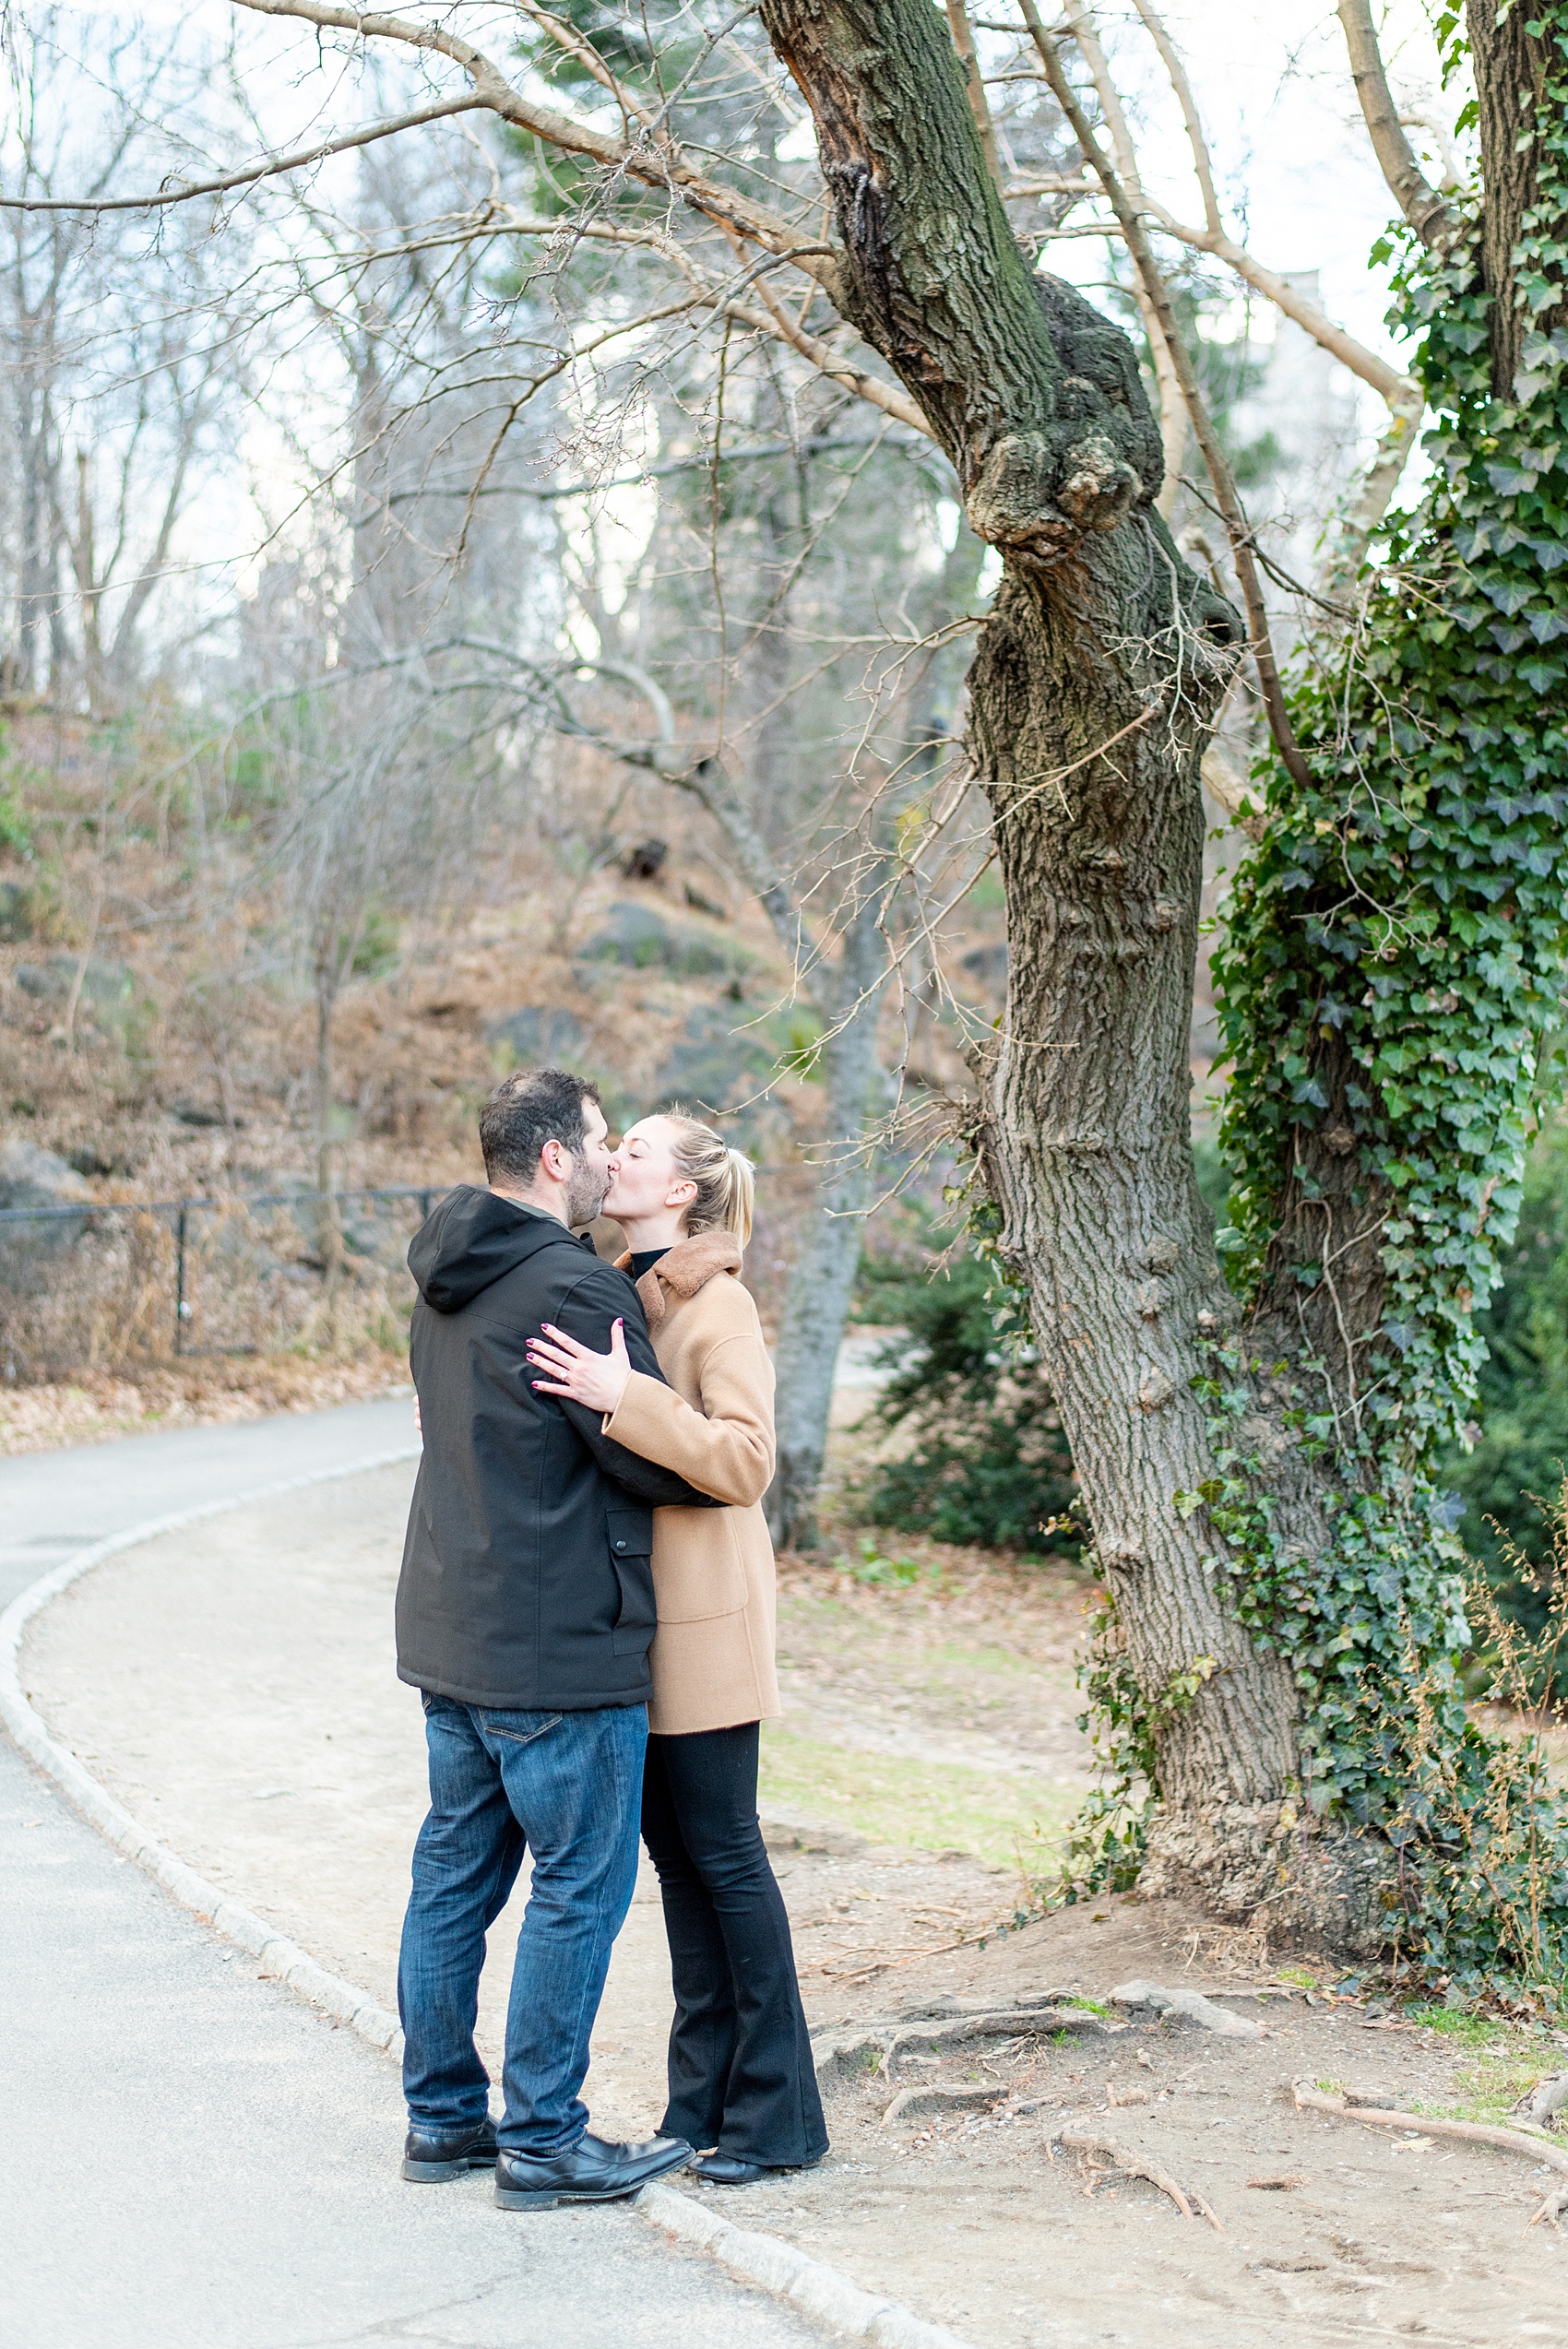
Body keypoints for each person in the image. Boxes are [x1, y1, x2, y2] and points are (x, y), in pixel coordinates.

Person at [395, 1068, 724, 2213]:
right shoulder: (579, 1290)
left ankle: (441, 2122)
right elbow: (632, 1458)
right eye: (595, 1141)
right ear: (552, 1160)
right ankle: (542, 2138)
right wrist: (681, 1437)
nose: (603, 1159)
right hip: (560, 1639)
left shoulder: (443, 1273)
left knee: (451, 1880)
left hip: (451, 1626)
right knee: (578, 1888)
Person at [526, 1110, 828, 2186]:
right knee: (681, 1871)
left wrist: (629, 1397)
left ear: (684, 1191)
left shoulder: (722, 1302)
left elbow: (746, 1463)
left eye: (638, 1149)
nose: (616, 1160)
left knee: (728, 1863)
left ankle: (777, 2122)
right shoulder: (622, 1288)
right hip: (634, 1630)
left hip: (705, 1627)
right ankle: (697, 2106)